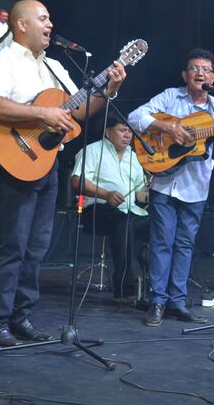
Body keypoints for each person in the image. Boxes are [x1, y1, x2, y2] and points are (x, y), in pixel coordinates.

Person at [0, 0, 126, 346]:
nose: (49, 24)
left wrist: (111, 88)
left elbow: (80, 110)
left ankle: (21, 315)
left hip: (48, 164)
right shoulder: (4, 60)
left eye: (50, 17)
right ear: (21, 25)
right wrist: (43, 114)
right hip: (17, 160)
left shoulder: (56, 66)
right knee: (12, 245)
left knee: (37, 247)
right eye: (42, 18)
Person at [128, 48, 214, 327]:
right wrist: (168, 129)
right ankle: (157, 301)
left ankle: (177, 302)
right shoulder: (169, 96)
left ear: (213, 77)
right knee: (161, 242)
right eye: (194, 68)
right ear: (185, 75)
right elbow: (135, 117)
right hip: (165, 182)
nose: (199, 73)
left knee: (185, 245)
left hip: (197, 187)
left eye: (205, 69)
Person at [70, 115, 150, 302]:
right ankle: (125, 289)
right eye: (123, 130)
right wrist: (106, 194)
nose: (128, 134)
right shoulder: (92, 151)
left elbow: (140, 193)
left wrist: (154, 191)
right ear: (108, 132)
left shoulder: (133, 157)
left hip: (129, 212)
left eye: (130, 131)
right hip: (97, 209)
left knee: (163, 224)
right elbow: (76, 181)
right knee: (124, 222)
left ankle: (156, 288)